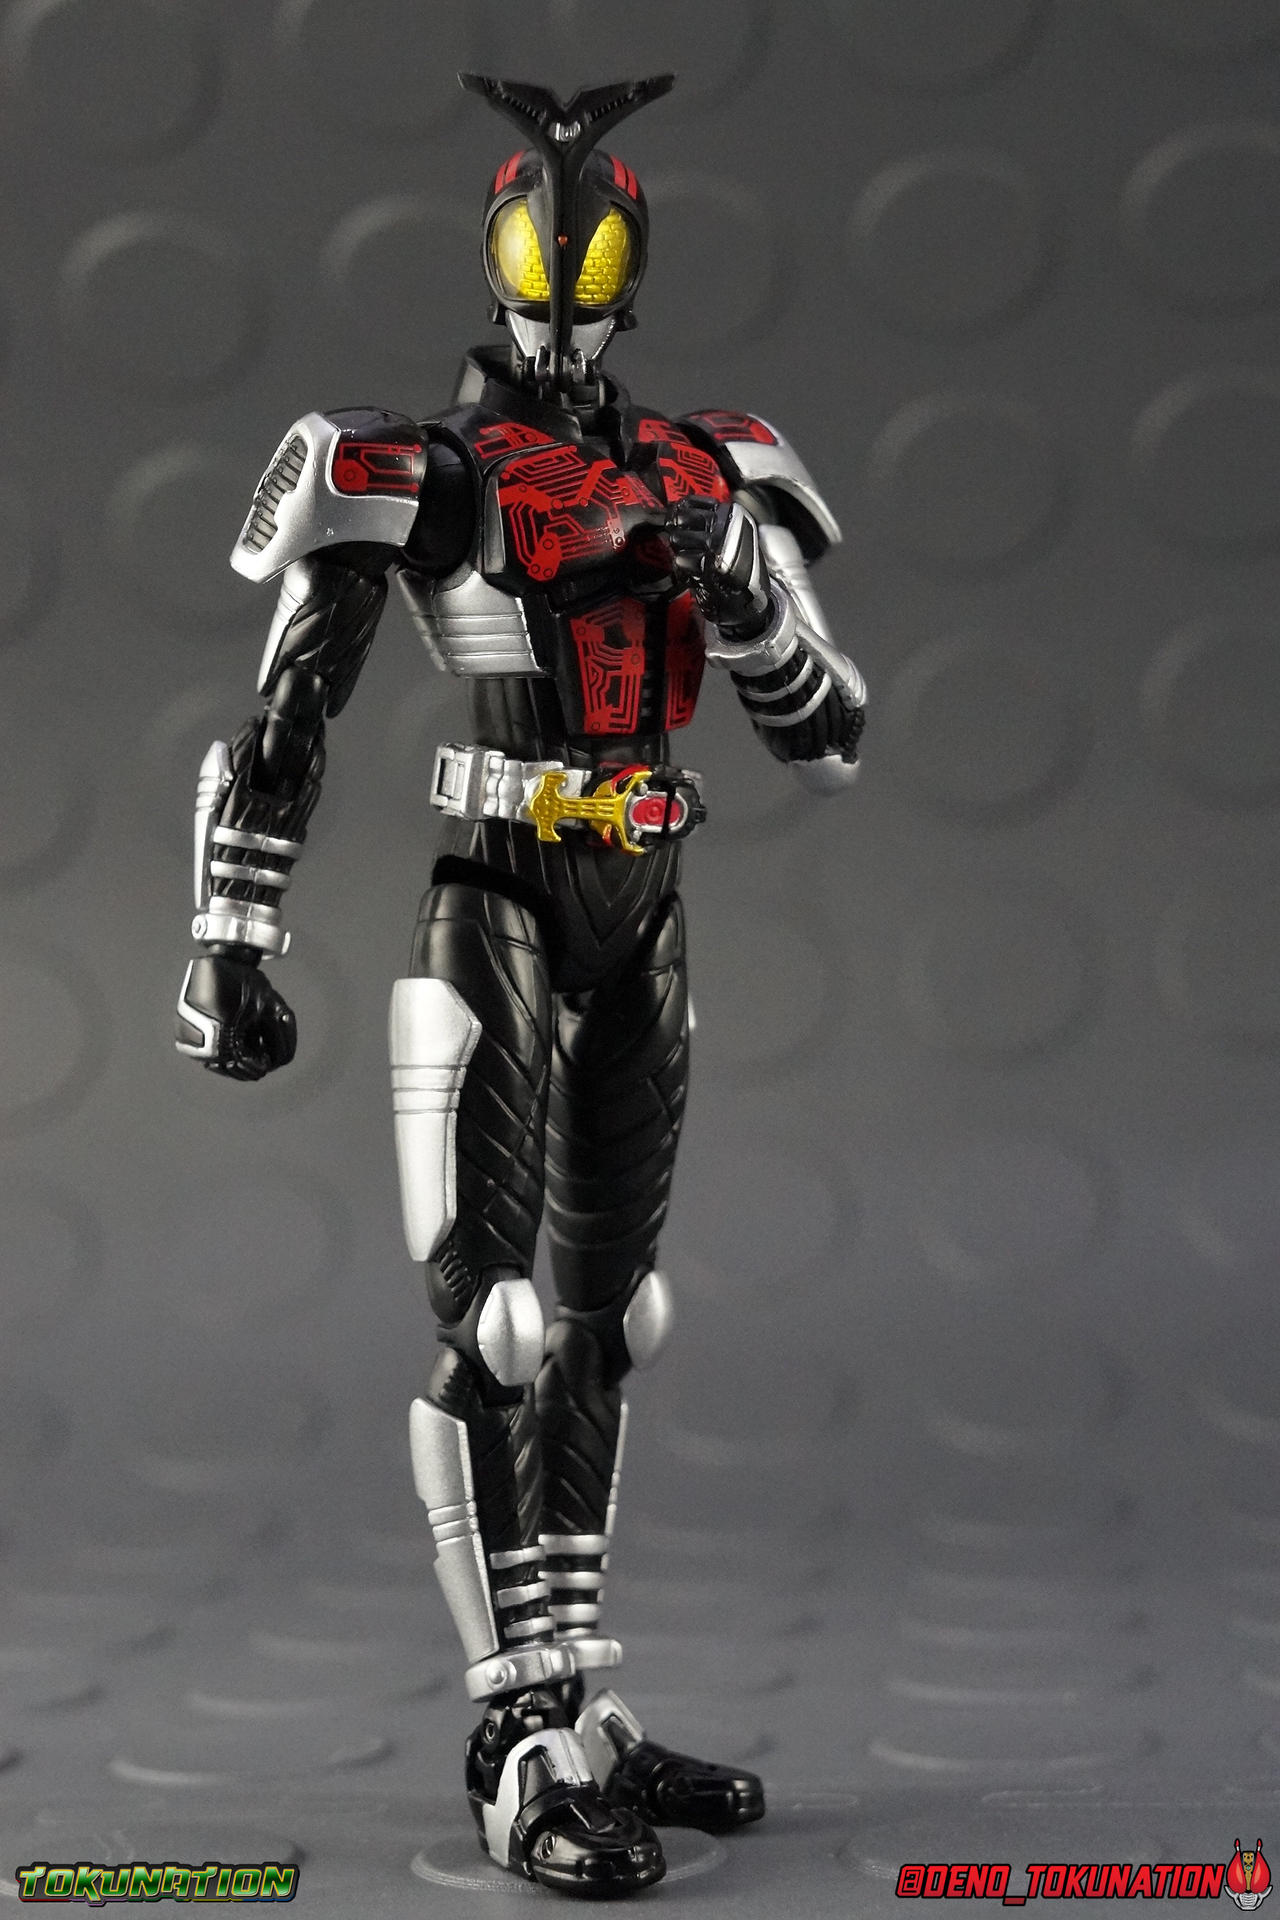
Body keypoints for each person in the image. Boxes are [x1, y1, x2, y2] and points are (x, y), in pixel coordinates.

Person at [175, 72, 866, 1897]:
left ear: (633, 268)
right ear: (494, 262)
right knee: (491, 1321)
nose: (564, 288)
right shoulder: (421, 468)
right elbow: (288, 708)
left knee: (611, 1319)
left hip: (644, 899)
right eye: (542, 255)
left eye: (595, 257)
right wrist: (229, 935)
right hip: (494, 889)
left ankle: (579, 1697)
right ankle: (513, 1739)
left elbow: (832, 734)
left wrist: (746, 592)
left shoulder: (712, 467)